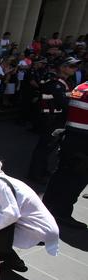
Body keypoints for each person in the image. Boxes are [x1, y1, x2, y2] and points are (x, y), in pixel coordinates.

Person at [43, 80, 88, 229]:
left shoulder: (80, 87)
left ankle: (47, 207)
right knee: (75, 180)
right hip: (83, 142)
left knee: (60, 174)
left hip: (71, 137)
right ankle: (61, 213)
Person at [28, 57, 80, 183]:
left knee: (49, 147)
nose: (75, 69)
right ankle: (35, 174)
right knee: (44, 147)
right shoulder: (55, 83)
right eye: (72, 66)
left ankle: (43, 169)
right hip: (51, 120)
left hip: (58, 120)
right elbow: (64, 103)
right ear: (62, 67)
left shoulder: (66, 82)